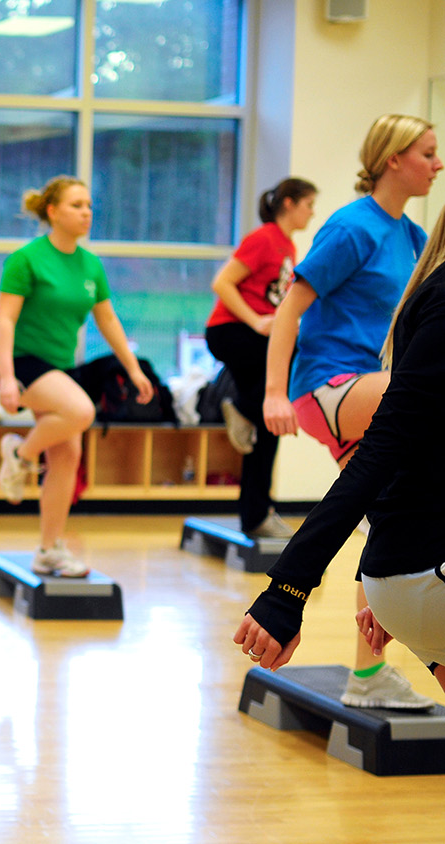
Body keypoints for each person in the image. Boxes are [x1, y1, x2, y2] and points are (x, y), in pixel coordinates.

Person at [262, 114, 441, 709]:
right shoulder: (351, 228)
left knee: (384, 507)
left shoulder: (414, 236)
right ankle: (369, 673)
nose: (438, 165)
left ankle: (368, 673)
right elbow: (290, 310)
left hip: (375, 383)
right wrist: (272, 392)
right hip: (328, 386)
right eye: (427, 153)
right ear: (393, 159)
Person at [0, 176, 153, 577]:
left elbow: (108, 318)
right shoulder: (26, 259)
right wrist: (7, 378)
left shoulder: (90, 265)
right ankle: (19, 454)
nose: (86, 213)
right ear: (52, 212)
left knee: (68, 455)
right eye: (76, 205)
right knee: (81, 410)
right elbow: (5, 321)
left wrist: (133, 368)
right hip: (24, 362)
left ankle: (49, 549)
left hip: (60, 367)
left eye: (88, 206)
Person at [204, 178, 317, 539]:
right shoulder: (264, 238)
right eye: (308, 204)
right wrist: (255, 321)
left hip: (253, 335)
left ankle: (256, 514)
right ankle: (239, 407)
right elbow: (222, 282)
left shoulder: (287, 245)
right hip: (232, 331)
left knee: (270, 424)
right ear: (288, 203)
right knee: (276, 400)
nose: (312, 212)